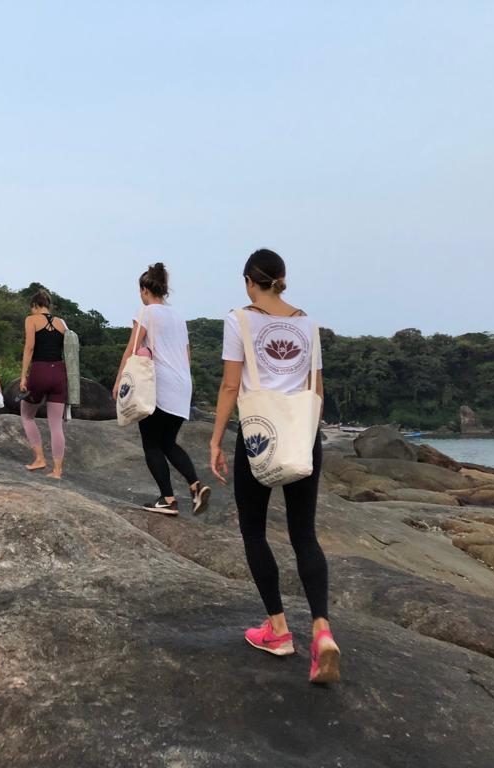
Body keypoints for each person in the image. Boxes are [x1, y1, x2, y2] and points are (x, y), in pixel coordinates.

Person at [209, 248, 339, 685]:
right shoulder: (308, 324)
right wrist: (307, 435)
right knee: (304, 534)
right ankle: (322, 630)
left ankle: (278, 630)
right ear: (283, 279)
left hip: (259, 434)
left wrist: (215, 439)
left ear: (250, 281)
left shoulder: (239, 320)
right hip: (303, 434)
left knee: (254, 531)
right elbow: (316, 389)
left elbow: (231, 385)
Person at [112, 263, 210, 516]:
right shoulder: (178, 316)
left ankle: (167, 499)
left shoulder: (147, 312)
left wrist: (120, 380)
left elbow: (132, 348)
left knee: (151, 444)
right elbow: (187, 356)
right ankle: (196, 486)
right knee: (168, 442)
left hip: (159, 386)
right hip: (182, 385)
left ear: (145, 290)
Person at [19, 289, 68, 479]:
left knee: (27, 415)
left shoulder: (31, 320)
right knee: (56, 424)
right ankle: (57, 470)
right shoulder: (62, 323)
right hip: (59, 373)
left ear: (35, 305)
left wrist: (24, 376)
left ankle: (39, 458)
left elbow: (29, 347)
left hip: (40, 371)